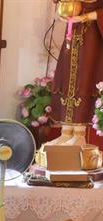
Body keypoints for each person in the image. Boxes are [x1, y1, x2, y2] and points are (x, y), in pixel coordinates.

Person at [50, 2, 103, 143]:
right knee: (67, 78)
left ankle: (79, 134)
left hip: (92, 36)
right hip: (73, 34)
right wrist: (63, 13)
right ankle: (66, 132)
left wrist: (85, 17)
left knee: (85, 79)